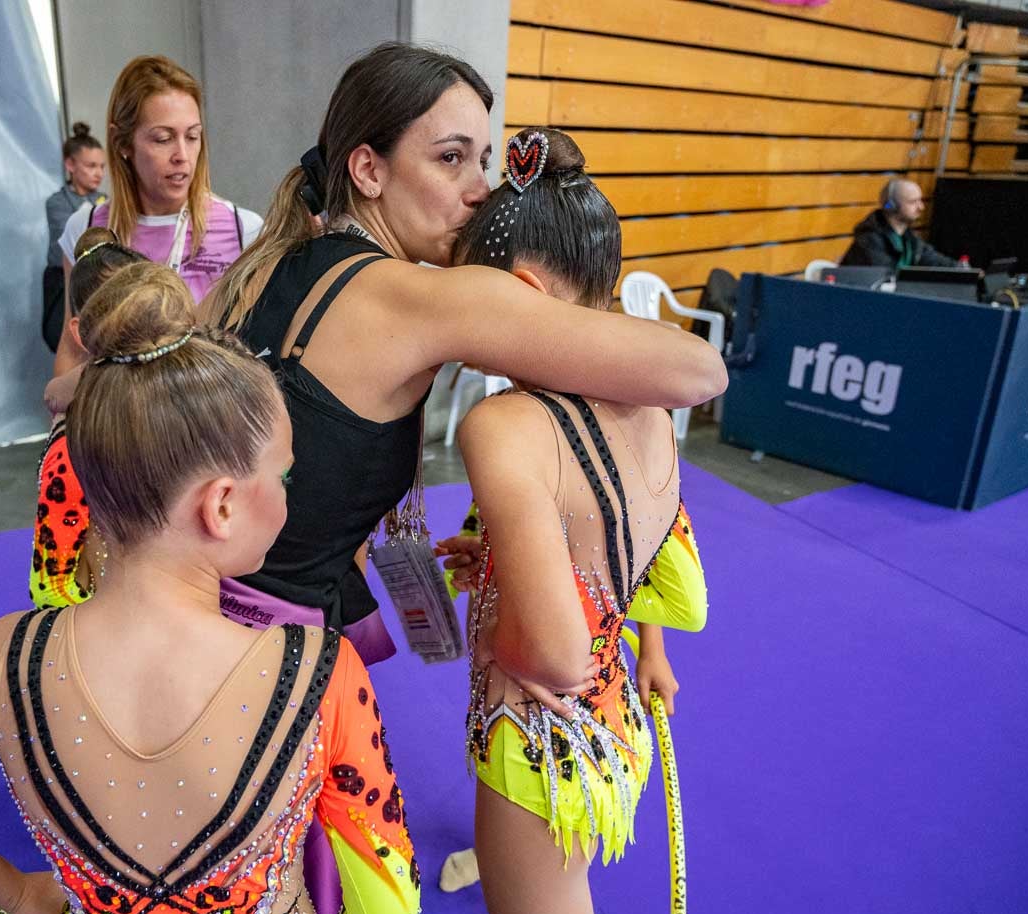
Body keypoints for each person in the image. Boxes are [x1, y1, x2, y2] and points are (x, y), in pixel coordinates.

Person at [0, 265, 421, 914]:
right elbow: (388, 906)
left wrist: (17, 893)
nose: (287, 496)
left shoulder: (4, 660)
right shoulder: (319, 674)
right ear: (220, 504)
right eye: (284, 476)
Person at [201, 42, 724, 669]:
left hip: (186, 605)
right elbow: (699, 370)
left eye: (483, 161)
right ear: (369, 171)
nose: (481, 191)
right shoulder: (429, 297)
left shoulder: (265, 266)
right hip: (256, 657)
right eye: (451, 159)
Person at [450, 128, 708, 914]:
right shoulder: (654, 410)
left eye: (465, 302)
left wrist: (505, 643)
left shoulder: (508, 424)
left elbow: (557, 654)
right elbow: (669, 581)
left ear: (520, 293)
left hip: (537, 742)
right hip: (612, 723)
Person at [54, 56, 263, 376]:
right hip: (120, 418)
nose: (182, 155)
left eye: (192, 136)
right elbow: (72, 348)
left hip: (211, 417)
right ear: (123, 142)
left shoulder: (243, 229)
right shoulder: (84, 228)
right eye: (163, 139)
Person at [30, 227, 145, 610]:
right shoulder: (73, 446)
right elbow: (53, 576)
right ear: (82, 331)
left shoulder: (156, 400)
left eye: (140, 300)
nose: (138, 319)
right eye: (118, 307)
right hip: (97, 611)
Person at [43, 123, 108, 352]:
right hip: (63, 279)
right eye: (91, 166)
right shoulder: (57, 203)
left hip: (95, 278)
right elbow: (74, 241)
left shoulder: (104, 200)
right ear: (70, 165)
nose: (99, 173)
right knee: (64, 339)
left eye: (102, 166)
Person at [840, 178, 958, 270]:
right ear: (892, 205)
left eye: (920, 200)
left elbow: (932, 258)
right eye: (913, 202)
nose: (921, 207)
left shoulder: (909, 239)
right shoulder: (870, 239)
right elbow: (886, 276)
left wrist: (962, 269)